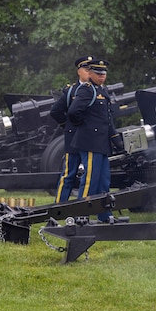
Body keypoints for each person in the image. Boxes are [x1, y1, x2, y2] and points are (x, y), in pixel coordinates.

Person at [67, 59, 124, 221]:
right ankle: (81, 214)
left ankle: (104, 214)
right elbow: (73, 112)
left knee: (103, 181)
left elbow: (107, 119)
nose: (102, 77)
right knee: (90, 180)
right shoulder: (87, 90)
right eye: (98, 74)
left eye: (104, 74)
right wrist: (84, 127)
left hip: (102, 143)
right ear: (90, 74)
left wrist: (116, 141)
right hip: (90, 142)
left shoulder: (102, 90)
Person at [50, 56, 93, 203]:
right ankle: (59, 205)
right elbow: (55, 111)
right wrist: (67, 125)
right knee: (69, 174)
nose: (89, 73)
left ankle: (83, 206)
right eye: (87, 70)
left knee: (89, 175)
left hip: (90, 138)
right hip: (74, 138)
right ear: (79, 71)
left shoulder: (96, 89)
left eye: (91, 70)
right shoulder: (70, 91)